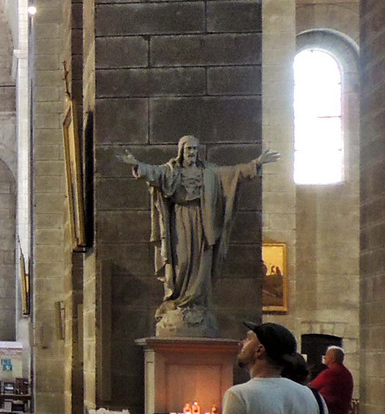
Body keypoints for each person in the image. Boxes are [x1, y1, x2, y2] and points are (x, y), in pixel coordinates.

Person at [116, 136, 279, 336]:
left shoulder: (208, 172)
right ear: (181, 151)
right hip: (180, 219)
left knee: (202, 262)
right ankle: (178, 301)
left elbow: (233, 173)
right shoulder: (172, 171)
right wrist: (137, 164)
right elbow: (155, 173)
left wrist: (256, 163)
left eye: (194, 150)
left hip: (202, 222)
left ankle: (196, 305)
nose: (192, 153)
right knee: (182, 261)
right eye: (188, 150)